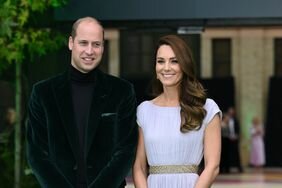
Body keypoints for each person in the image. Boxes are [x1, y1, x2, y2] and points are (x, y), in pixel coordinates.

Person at [26, 17, 138, 188]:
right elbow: (37, 154)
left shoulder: (122, 91)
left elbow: (125, 151)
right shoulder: (43, 93)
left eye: (96, 44)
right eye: (83, 43)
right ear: (71, 43)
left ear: (102, 47)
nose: (89, 51)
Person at [133, 35, 221, 188]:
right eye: (161, 61)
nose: (166, 68)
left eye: (174, 61)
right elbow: (139, 167)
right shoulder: (144, 110)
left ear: (185, 65)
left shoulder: (207, 109)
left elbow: (212, 166)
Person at [227, 106, 243, 173]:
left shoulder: (236, 120)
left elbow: (238, 129)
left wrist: (237, 135)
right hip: (227, 139)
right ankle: (227, 168)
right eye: (230, 112)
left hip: (235, 139)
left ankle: (239, 168)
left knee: (236, 153)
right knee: (228, 154)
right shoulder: (226, 120)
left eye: (232, 112)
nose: (231, 113)